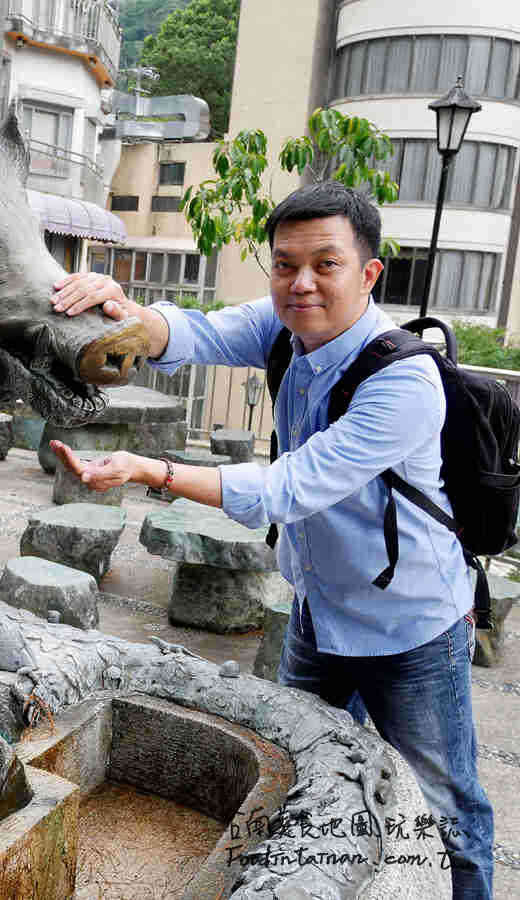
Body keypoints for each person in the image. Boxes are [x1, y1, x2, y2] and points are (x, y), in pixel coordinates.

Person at [49, 181, 494, 899]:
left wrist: (149, 468)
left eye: (326, 264)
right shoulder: (286, 327)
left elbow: (289, 487)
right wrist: (123, 313)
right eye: (285, 265)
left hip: (410, 627)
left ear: (369, 272)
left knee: (447, 809)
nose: (302, 283)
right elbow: (191, 330)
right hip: (317, 612)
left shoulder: (405, 381)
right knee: (297, 764)